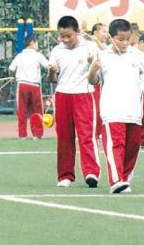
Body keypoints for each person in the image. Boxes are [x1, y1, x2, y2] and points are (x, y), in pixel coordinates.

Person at [88, 19, 144, 194]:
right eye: (120, 39)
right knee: (116, 146)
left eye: (128, 39)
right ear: (111, 37)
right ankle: (116, 180)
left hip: (134, 112)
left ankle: (125, 180)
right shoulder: (103, 57)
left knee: (132, 148)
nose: (124, 43)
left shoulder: (136, 55)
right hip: (112, 112)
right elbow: (92, 80)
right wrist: (93, 69)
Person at [48, 15, 101, 188]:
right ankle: (65, 176)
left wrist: (92, 64)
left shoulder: (90, 47)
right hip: (62, 95)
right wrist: (51, 71)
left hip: (84, 95)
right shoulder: (56, 51)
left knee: (86, 136)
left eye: (68, 36)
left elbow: (97, 74)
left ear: (77, 32)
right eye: (62, 36)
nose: (65, 40)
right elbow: (52, 79)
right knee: (64, 137)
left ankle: (91, 172)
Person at [9, 36, 49, 140]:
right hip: (34, 85)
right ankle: (37, 134)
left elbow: (11, 69)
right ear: (32, 43)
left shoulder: (19, 56)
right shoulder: (38, 55)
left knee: (22, 110)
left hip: (22, 85)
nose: (37, 46)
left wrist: (11, 77)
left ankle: (22, 135)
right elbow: (48, 66)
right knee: (36, 110)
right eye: (36, 43)